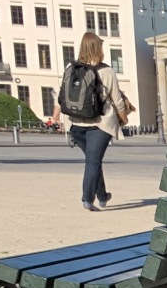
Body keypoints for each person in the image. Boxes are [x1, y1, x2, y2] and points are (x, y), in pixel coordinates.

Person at [52, 31, 132, 212]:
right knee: (93, 162)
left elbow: (60, 96)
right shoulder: (107, 71)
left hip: (76, 124)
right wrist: (124, 119)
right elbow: (117, 100)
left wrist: (56, 117)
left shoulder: (71, 68)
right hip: (99, 124)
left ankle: (102, 196)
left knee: (92, 161)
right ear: (99, 48)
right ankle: (88, 199)